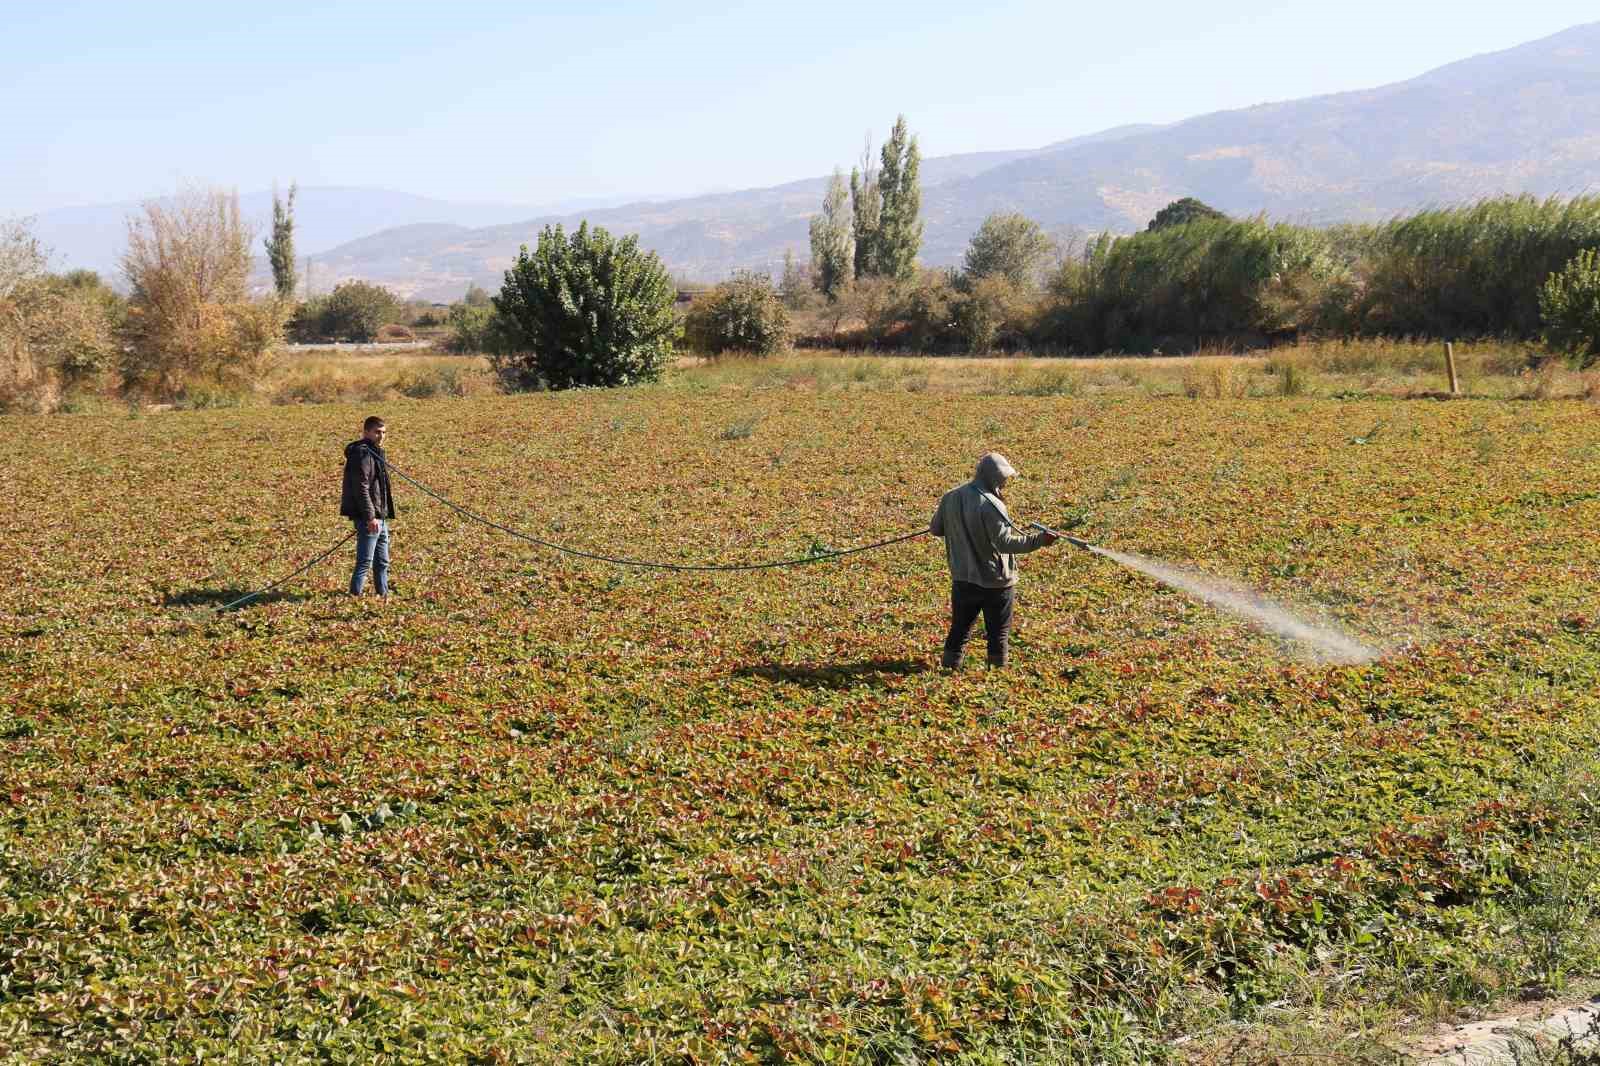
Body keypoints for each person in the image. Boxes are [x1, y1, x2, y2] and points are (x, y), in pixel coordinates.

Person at [929, 452, 1058, 669]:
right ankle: (997, 677)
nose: (1006, 482)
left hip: (963, 578)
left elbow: (935, 529)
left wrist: (956, 521)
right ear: (993, 477)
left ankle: (948, 670)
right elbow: (1005, 543)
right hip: (995, 582)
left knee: (959, 629)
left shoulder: (950, 497)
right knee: (998, 633)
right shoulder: (992, 504)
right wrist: (1040, 540)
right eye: (1004, 478)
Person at [340, 415, 397, 597]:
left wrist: (380, 515)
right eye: (377, 432)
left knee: (383, 561)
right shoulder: (362, 454)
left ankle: (383, 595)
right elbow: (361, 487)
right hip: (370, 517)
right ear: (366, 432)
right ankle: (354, 597)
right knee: (365, 561)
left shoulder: (375, 452)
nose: (381, 436)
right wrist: (370, 517)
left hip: (380, 516)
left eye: (383, 432)